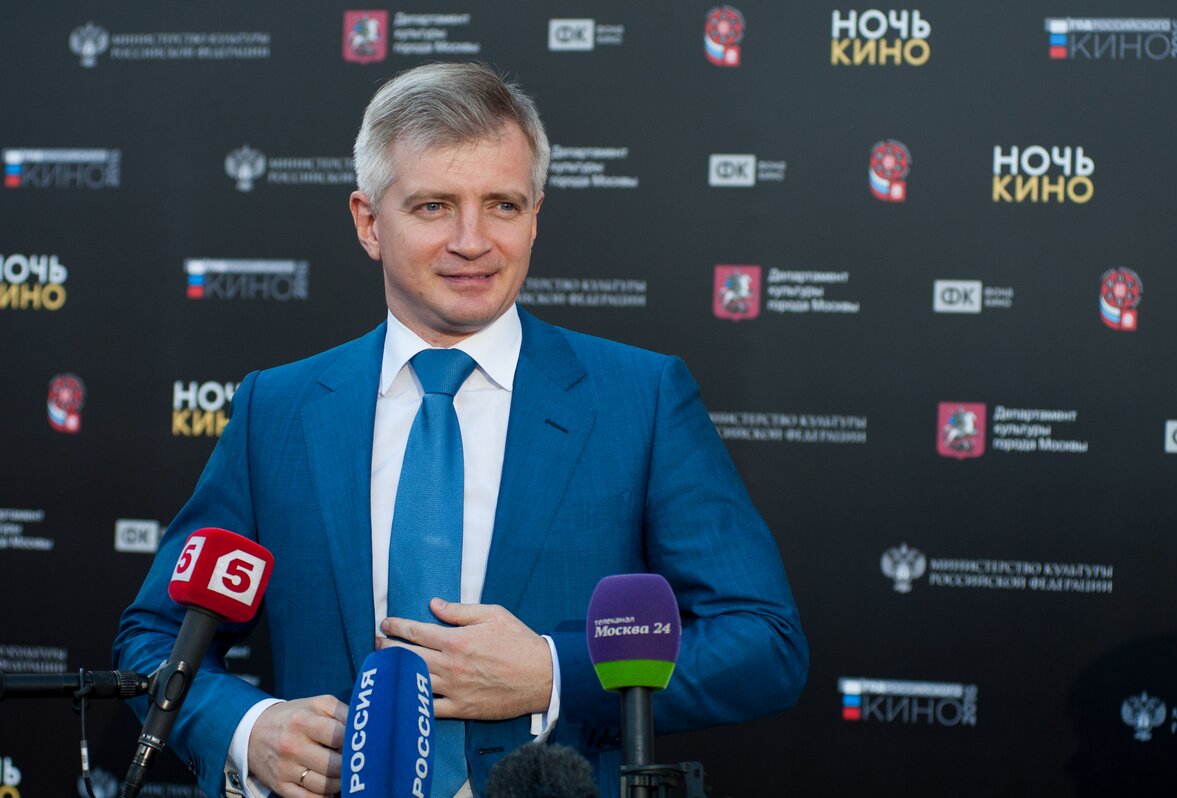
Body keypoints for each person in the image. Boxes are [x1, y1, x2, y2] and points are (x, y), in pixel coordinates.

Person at [114, 62, 807, 798]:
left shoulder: (640, 399)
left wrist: (552, 672)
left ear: (535, 217)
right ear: (369, 222)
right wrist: (249, 729)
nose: (472, 241)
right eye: (435, 206)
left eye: (503, 205)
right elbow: (154, 639)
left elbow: (763, 642)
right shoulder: (276, 409)